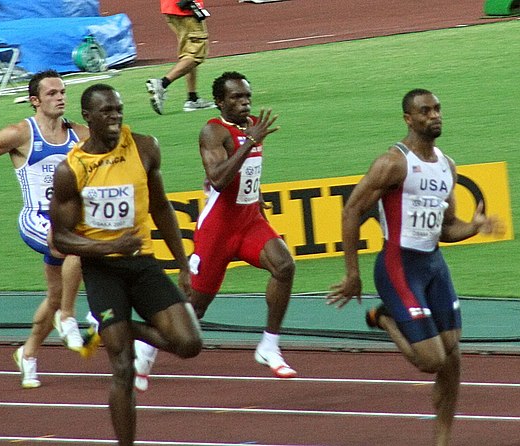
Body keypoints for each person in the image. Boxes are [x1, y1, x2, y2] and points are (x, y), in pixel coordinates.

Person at [327, 89, 504, 446]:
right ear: (409, 119)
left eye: (438, 108)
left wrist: (474, 226)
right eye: (425, 111)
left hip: (433, 265)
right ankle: (387, 319)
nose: (434, 115)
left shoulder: (446, 165)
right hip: (398, 265)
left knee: (452, 353)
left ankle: (442, 440)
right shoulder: (393, 163)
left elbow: (447, 228)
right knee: (431, 361)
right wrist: (352, 273)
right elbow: (351, 211)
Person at [49, 83, 202, 445]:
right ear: (88, 117)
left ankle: (115, 325)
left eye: (118, 108)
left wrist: (182, 264)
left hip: (143, 263)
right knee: (122, 367)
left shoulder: (145, 147)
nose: (116, 115)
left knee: (188, 343)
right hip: (103, 271)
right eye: (106, 111)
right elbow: (61, 238)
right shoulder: (72, 170)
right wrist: (112, 245)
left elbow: (162, 208)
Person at [134, 71, 297, 392]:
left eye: (247, 95)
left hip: (249, 221)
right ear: (220, 101)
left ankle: (269, 345)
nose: (245, 102)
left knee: (285, 266)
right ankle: (147, 346)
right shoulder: (213, 131)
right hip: (218, 230)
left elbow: (248, 170)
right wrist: (250, 141)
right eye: (236, 97)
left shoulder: (251, 125)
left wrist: (257, 195)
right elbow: (219, 179)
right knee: (195, 309)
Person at [0, 70, 88, 389]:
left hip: (67, 221)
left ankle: (27, 354)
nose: (60, 97)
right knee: (76, 245)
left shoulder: (79, 135)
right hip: (35, 218)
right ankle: (69, 317)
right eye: (52, 93)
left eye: (62, 91)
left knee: (54, 295)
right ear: (35, 101)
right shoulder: (22, 134)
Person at [146, 0, 215, 114]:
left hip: (172, 8)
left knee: (189, 52)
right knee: (196, 54)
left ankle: (192, 98)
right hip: (186, 8)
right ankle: (162, 84)